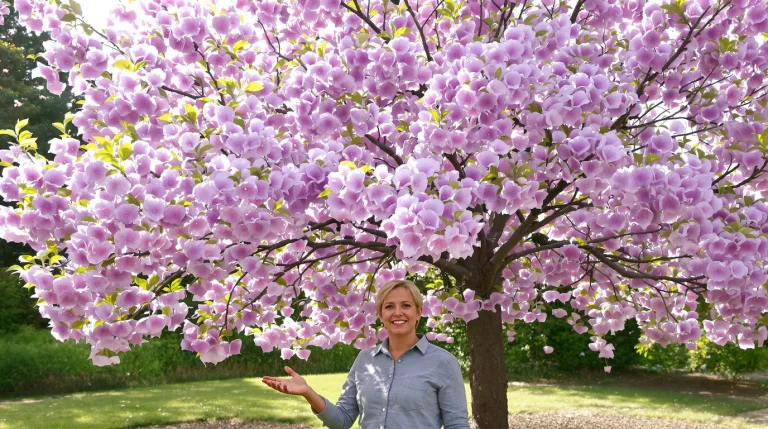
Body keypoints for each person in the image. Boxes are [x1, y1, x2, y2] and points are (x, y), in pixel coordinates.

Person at [262, 279, 470, 429]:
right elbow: (342, 420)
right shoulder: (365, 360)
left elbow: (457, 425)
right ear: (381, 315)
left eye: (406, 305)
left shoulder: (443, 362)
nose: (397, 312)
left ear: (418, 312)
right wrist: (308, 392)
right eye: (389, 307)